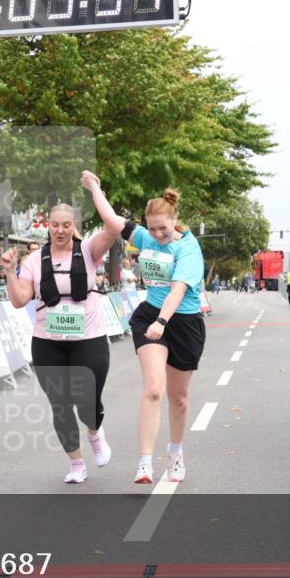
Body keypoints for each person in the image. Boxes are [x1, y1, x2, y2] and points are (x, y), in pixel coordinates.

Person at [83, 171, 205, 484]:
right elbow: (111, 220)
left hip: (183, 322)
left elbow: (178, 290)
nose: (158, 234)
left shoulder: (188, 249)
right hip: (150, 316)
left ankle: (175, 453)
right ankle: (145, 463)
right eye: (152, 228)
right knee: (153, 388)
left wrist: (164, 322)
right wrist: (94, 187)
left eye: (163, 228)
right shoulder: (146, 238)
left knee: (179, 399)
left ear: (175, 219)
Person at [0, 197, 116, 484]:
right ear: (47, 226)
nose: (60, 230)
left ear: (74, 225)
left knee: (87, 401)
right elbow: (19, 300)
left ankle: (95, 433)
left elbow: (113, 228)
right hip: (47, 341)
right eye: (55, 225)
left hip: (88, 337)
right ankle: (76, 464)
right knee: (60, 404)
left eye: (66, 225)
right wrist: (10, 271)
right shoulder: (34, 260)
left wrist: (95, 190)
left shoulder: (88, 250)